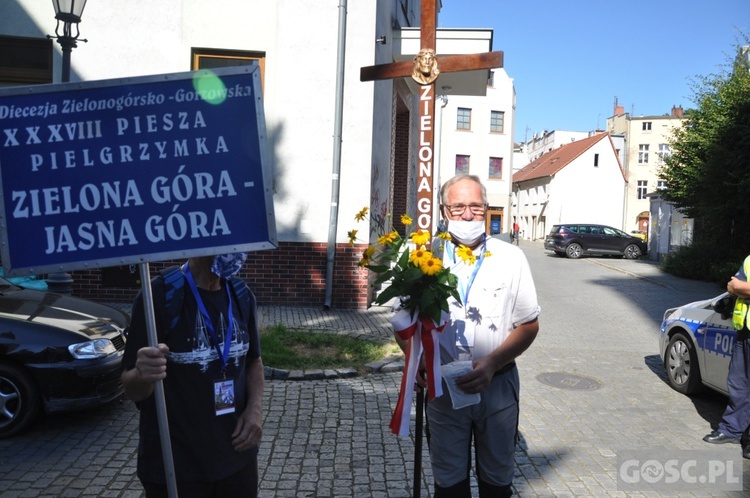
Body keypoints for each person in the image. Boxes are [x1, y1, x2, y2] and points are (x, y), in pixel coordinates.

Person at [410, 174, 540, 497]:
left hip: (497, 387)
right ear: (444, 211)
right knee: (449, 487)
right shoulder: (424, 258)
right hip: (443, 390)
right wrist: (418, 361)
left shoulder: (511, 258)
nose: (468, 215)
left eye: (476, 207)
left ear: (486, 209)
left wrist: (494, 363)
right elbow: (404, 322)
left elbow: (529, 325)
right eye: (458, 208)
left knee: (496, 486)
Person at [122, 253, 264, 498]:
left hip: (237, 458)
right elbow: (131, 387)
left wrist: (255, 410)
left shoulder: (240, 293)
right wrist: (143, 374)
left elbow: (254, 361)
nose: (237, 251)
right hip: (176, 465)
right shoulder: (160, 293)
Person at [703, 254, 750, 460]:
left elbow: (740, 287)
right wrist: (739, 288)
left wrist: (743, 288)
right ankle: (732, 430)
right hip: (745, 331)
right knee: (738, 383)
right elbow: (731, 287)